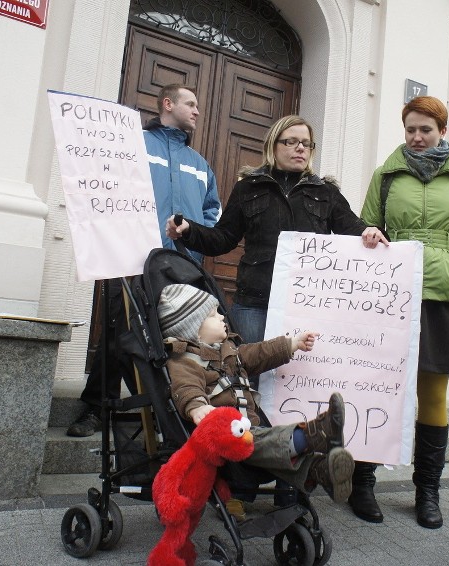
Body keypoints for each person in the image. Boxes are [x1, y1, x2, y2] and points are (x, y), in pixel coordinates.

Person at [166, 114, 387, 508]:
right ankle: (242, 481)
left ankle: (291, 487)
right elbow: (222, 238)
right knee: (247, 389)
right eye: (292, 141)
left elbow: (352, 228)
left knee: (298, 388)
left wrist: (369, 231)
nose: (300, 148)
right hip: (254, 302)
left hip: (305, 307)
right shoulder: (249, 188)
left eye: (306, 143)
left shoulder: (325, 192)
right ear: (274, 145)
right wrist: (189, 231)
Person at [358, 96, 449, 528]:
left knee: (432, 395)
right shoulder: (387, 175)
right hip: (391, 290)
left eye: (425, 130)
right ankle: (363, 481)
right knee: (380, 388)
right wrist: (369, 233)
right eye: (410, 129)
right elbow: (364, 224)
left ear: (442, 132)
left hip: (443, 293)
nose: (416, 137)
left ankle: (427, 493)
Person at [67, 84, 221, 437]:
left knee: (177, 341)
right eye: (190, 104)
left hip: (181, 267)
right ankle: (96, 408)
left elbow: (214, 211)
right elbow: (107, 188)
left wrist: (195, 239)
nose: (198, 111)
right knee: (121, 335)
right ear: (168, 104)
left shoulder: (200, 164)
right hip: (132, 261)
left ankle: (171, 412)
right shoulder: (132, 145)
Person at [156, 283, 354, 504]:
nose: (222, 317)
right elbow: (185, 387)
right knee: (255, 439)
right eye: (213, 315)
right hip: (224, 439)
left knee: (266, 442)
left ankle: (321, 472)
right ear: (193, 329)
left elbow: (258, 353)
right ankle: (313, 434)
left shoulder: (228, 350)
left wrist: (292, 344)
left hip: (249, 428)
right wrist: (197, 406)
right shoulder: (185, 361)